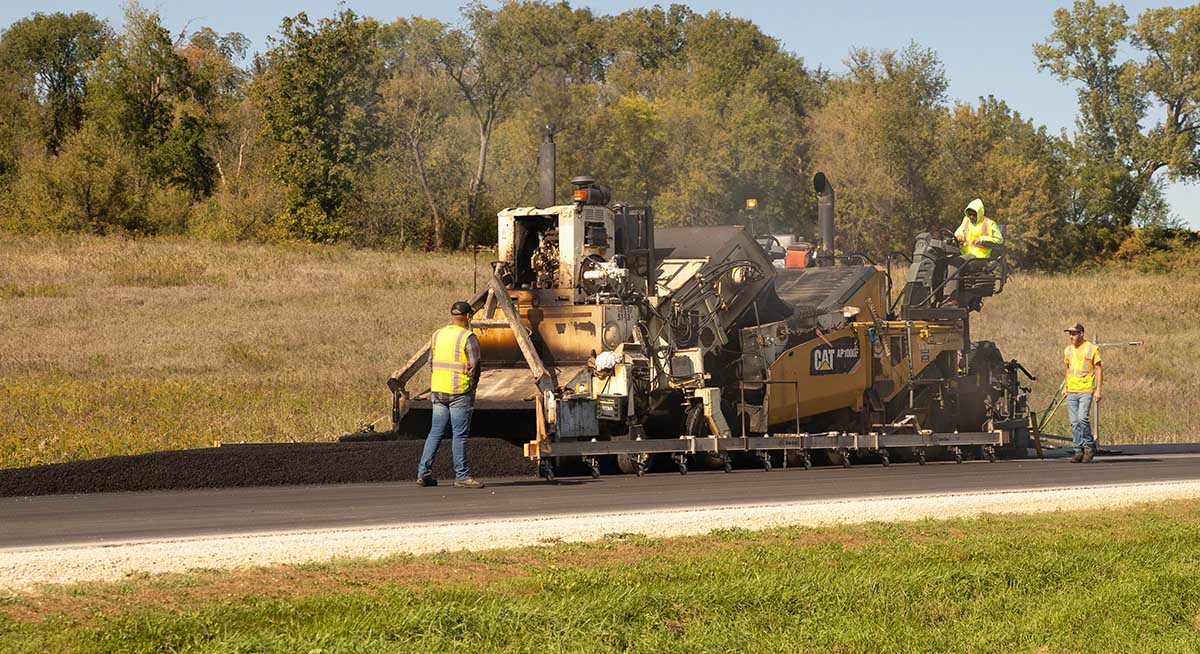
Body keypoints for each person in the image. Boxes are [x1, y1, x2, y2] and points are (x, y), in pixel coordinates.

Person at [417, 301, 485, 488]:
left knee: (435, 432)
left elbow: (431, 362)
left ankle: (423, 473)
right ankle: (462, 476)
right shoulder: (468, 337)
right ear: (468, 316)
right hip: (459, 392)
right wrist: (472, 387)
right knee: (459, 435)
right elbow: (475, 366)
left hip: (438, 390)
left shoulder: (438, 335)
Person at [945, 198, 1003, 304]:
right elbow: (959, 232)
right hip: (966, 255)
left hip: (979, 258)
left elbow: (999, 240)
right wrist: (959, 238)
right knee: (942, 262)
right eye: (969, 214)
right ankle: (937, 298)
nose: (971, 217)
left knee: (955, 264)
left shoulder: (989, 224)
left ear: (979, 213)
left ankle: (951, 297)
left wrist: (982, 239)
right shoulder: (966, 221)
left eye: (974, 214)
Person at [1062, 322, 1102, 463]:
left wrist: (1098, 389)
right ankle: (1078, 450)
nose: (1071, 336)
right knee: (1074, 422)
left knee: (1082, 418)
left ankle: (1089, 447)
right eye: (1070, 334)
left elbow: (1098, 369)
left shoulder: (1091, 349)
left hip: (1085, 389)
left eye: (1073, 333)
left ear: (1081, 333)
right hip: (1072, 390)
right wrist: (1065, 386)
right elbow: (1068, 369)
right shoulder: (1068, 350)